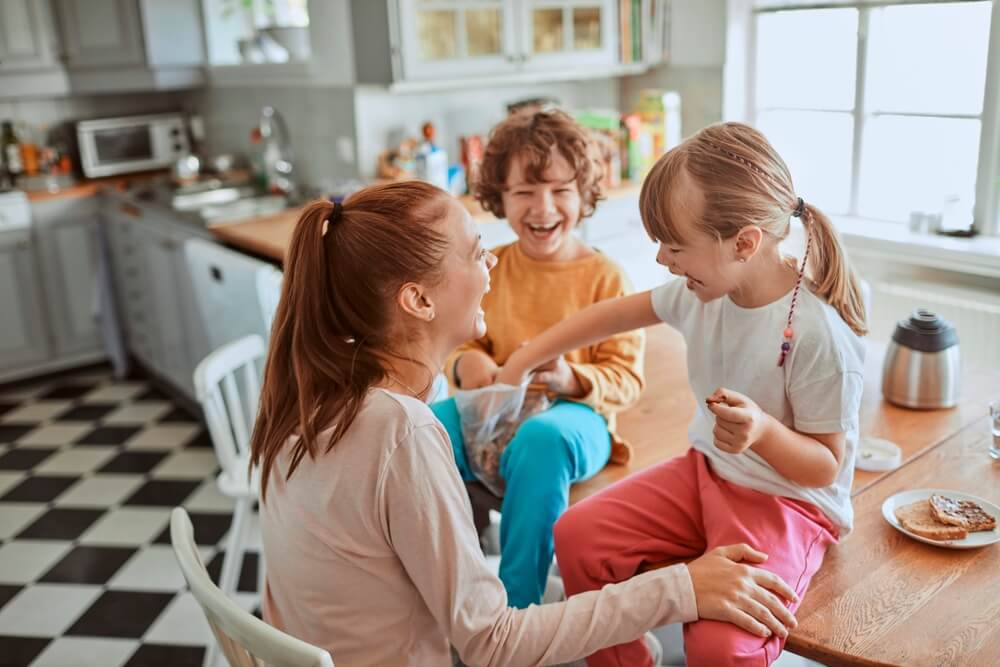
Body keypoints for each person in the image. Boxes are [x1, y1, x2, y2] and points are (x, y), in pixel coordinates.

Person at [249, 180, 799, 666]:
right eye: (475, 252)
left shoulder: (316, 391)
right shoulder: (402, 432)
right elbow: (494, 645)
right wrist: (683, 586)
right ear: (417, 300)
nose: (492, 264)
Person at [498, 122, 867, 666]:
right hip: (704, 473)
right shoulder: (703, 290)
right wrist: (524, 358)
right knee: (577, 536)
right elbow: (610, 315)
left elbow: (824, 468)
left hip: (789, 505)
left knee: (721, 648)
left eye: (674, 246)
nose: (662, 261)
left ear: (744, 242)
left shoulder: (817, 335)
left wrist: (762, 431)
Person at [432, 109, 644, 608]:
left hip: (574, 419)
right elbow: (459, 340)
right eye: (524, 192)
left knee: (542, 439)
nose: (542, 207)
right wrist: (465, 364)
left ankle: (518, 609)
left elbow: (627, 380)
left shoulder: (606, 279)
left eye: (560, 190)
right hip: (491, 412)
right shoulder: (491, 266)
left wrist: (573, 379)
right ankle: (443, 587)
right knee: (423, 426)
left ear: (585, 195)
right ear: (499, 199)